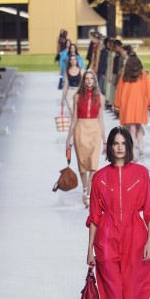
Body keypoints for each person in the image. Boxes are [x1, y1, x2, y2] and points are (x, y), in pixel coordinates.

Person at [86, 126, 150, 299]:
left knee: (132, 295)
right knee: (114, 294)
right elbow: (94, 216)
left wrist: (149, 241)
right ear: (109, 146)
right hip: (106, 239)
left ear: (129, 146)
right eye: (115, 143)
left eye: (123, 143)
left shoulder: (141, 173)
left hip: (135, 238)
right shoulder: (99, 177)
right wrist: (89, 250)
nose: (119, 147)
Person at [65, 70, 106, 207]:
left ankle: (88, 194)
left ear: (95, 81)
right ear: (83, 81)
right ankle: (85, 188)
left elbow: (101, 120)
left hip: (95, 131)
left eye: (91, 78)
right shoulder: (77, 97)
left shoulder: (101, 98)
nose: (89, 81)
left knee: (93, 165)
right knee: (83, 166)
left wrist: (105, 141)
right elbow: (74, 119)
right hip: (80, 130)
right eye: (87, 78)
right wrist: (68, 139)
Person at [113, 53, 150, 156]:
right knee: (138, 125)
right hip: (140, 104)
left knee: (132, 127)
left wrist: (117, 105)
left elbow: (119, 92)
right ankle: (140, 146)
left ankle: (133, 149)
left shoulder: (124, 77)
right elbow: (149, 91)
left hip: (128, 105)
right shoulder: (143, 76)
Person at [59, 54, 82, 119]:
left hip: (79, 93)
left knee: (78, 113)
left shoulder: (81, 70)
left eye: (74, 59)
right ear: (69, 61)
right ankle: (74, 124)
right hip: (70, 93)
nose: (73, 61)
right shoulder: (67, 71)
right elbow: (65, 85)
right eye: (71, 60)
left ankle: (75, 125)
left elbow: (83, 83)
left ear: (76, 61)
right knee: (72, 112)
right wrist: (62, 99)